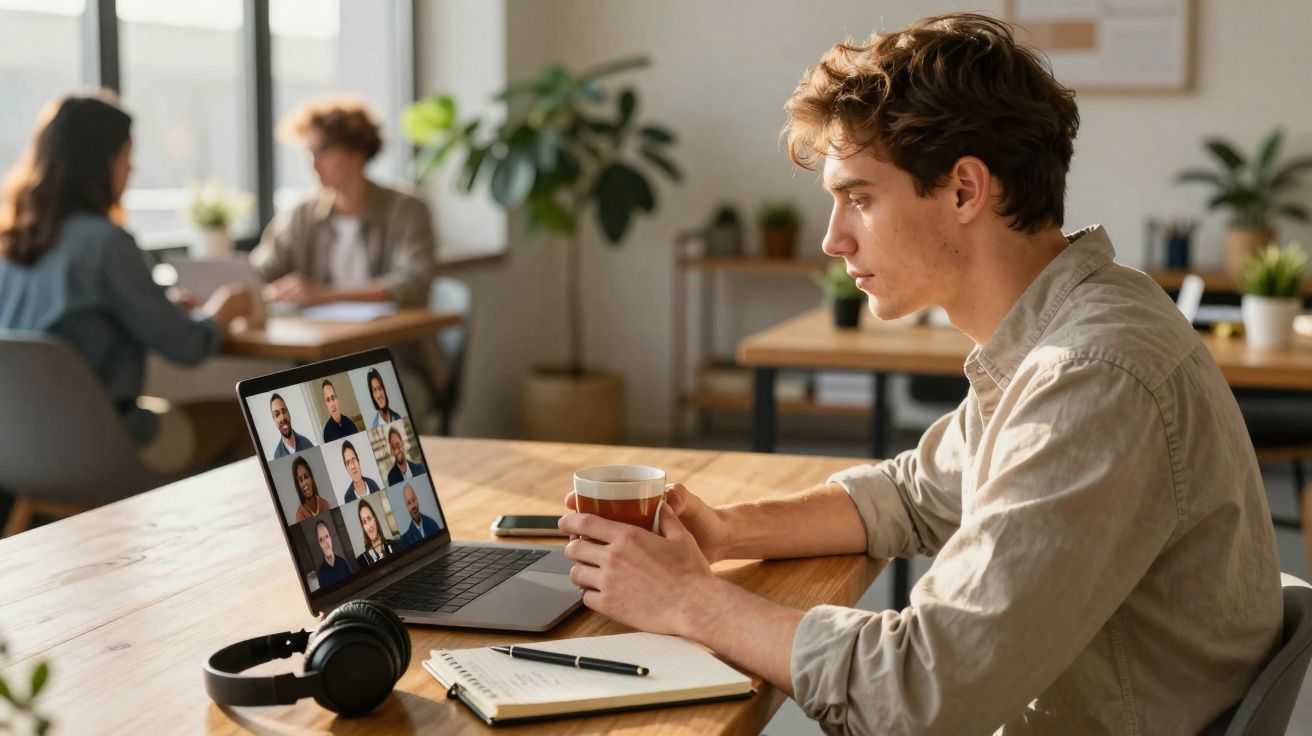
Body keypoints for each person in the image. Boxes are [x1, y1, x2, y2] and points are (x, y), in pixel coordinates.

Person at [557, 13, 1282, 735]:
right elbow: (913, 495)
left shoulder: (1093, 375)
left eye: (860, 198)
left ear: (966, 190)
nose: (832, 239)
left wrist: (692, 602)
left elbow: (921, 695)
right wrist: (722, 532)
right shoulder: (1072, 323)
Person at [0, 92, 252, 475]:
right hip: (104, 446)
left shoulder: (13, 243)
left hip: (25, 451)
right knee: (246, 419)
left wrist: (159, 303)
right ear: (100, 163)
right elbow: (186, 346)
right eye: (126, 157)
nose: (132, 170)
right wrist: (219, 314)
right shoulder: (106, 244)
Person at [250, 97, 445, 432]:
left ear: (356, 152)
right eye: (308, 153)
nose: (313, 165)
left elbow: (413, 283)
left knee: (367, 418)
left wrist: (323, 295)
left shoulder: (406, 209)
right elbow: (260, 271)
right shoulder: (301, 215)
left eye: (323, 152)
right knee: (278, 418)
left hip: (393, 362)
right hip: (318, 364)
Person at [269, 393, 314, 459]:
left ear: (289, 414)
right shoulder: (277, 456)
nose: (282, 417)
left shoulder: (307, 444)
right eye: (277, 414)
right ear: (274, 420)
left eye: (284, 411)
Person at [354, 498, 396, 568]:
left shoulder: (395, 544)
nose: (369, 525)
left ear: (375, 519)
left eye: (369, 518)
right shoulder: (362, 560)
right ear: (363, 528)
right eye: (364, 522)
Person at [291, 455, 332, 522]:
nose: (305, 483)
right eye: (301, 480)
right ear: (298, 486)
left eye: (306, 476)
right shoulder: (300, 515)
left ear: (311, 478)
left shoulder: (325, 504)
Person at [314, 519, 353, 588]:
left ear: (330, 538)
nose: (325, 542)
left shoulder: (343, 562)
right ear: (319, 544)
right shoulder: (321, 573)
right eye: (321, 539)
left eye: (326, 536)